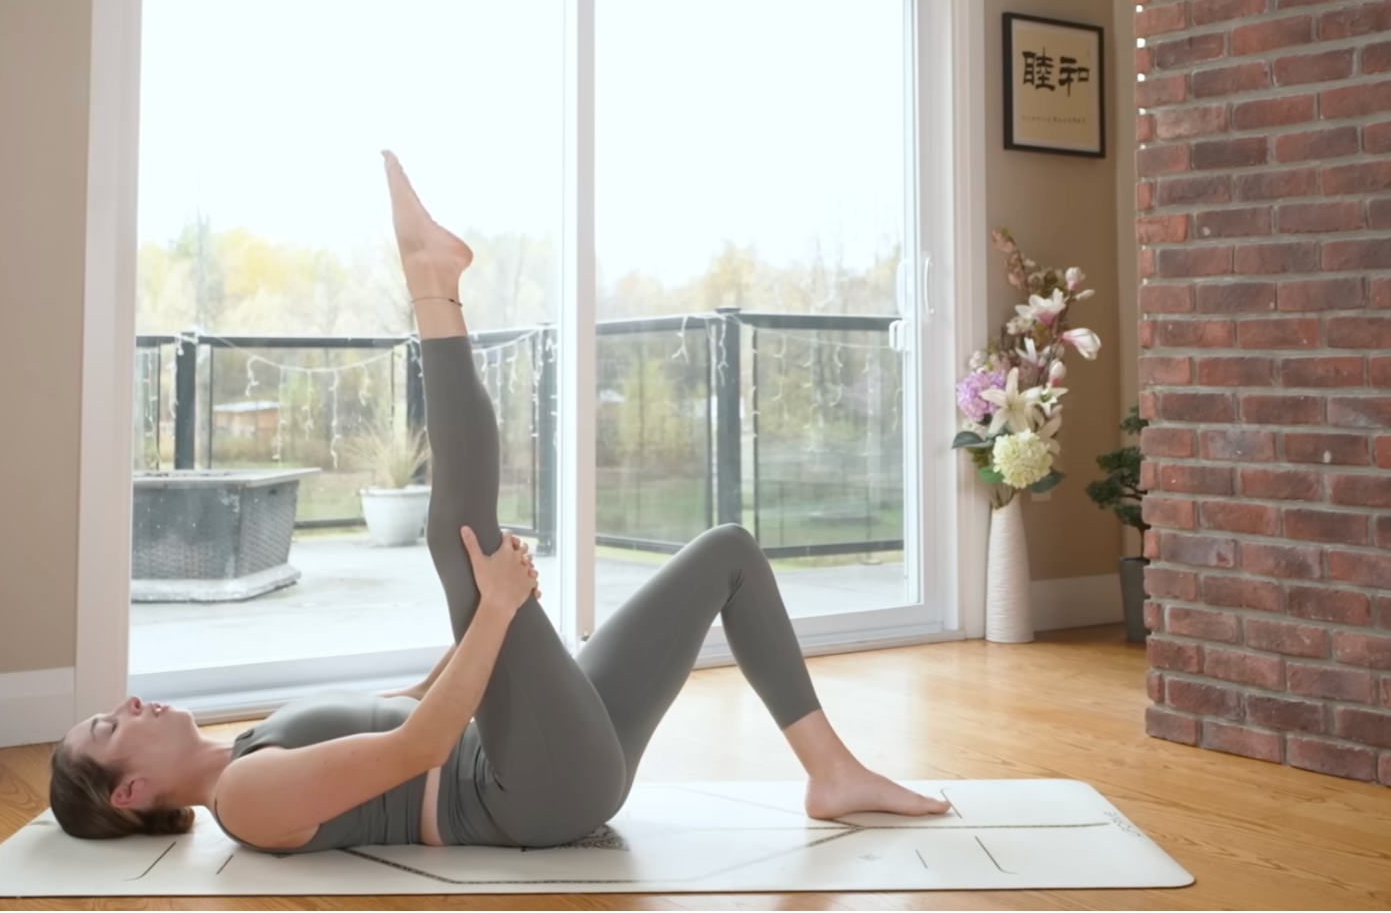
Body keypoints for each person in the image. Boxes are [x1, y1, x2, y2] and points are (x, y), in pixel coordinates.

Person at [49, 152, 950, 850]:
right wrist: (495, 612)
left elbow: (412, 703)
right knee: (464, 540)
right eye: (109, 726)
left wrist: (498, 624)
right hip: (529, 792)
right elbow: (417, 750)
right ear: (130, 792)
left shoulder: (252, 748)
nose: (129, 702)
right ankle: (431, 284)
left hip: (542, 753)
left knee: (728, 553)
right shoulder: (244, 800)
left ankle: (831, 772)